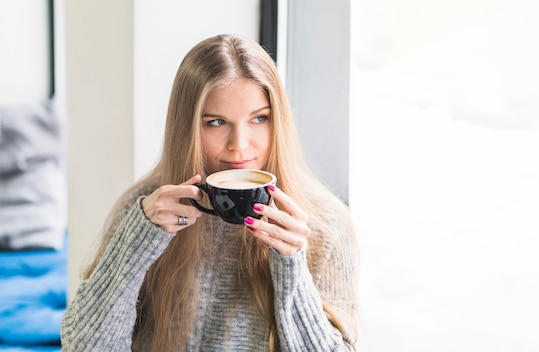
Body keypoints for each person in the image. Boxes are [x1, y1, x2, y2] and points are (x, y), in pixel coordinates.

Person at [60, 34, 359, 351]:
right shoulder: (148, 209)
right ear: (187, 127)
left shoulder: (325, 224)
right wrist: (136, 242)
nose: (239, 144)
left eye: (259, 118)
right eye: (216, 122)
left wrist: (291, 267)